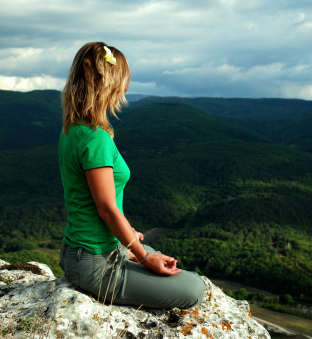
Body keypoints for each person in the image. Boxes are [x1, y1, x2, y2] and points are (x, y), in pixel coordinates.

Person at [58, 42, 205, 309]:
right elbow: (106, 208)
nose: (126, 88)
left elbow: (90, 201)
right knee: (194, 288)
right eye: (123, 81)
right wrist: (143, 258)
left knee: (165, 261)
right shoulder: (96, 139)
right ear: (108, 84)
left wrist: (126, 237)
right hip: (94, 262)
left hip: (82, 251)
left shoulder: (73, 129)